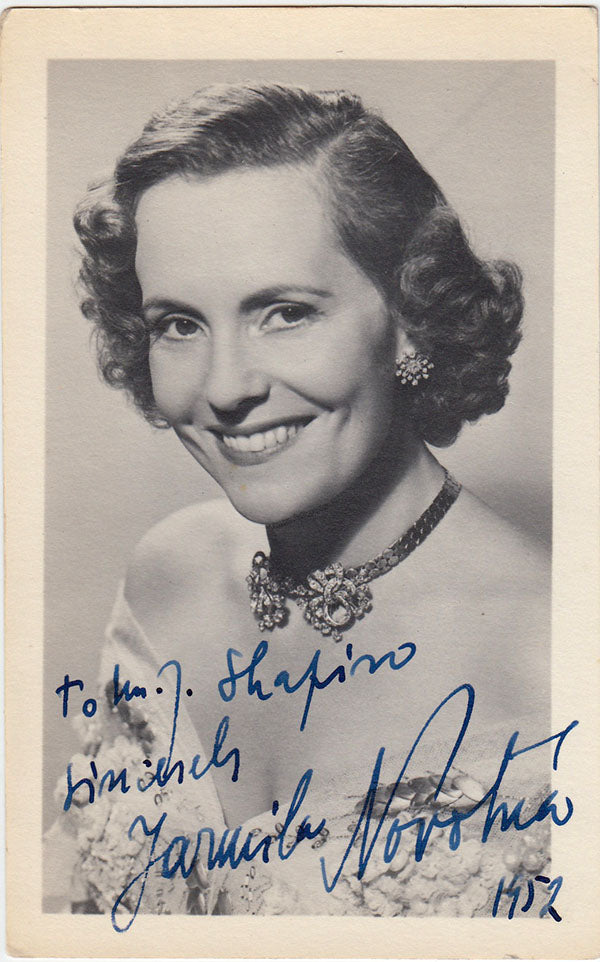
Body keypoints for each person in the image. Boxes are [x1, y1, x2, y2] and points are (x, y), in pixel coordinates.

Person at [51, 82, 551, 920]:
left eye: (284, 313)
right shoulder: (167, 574)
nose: (225, 389)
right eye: (179, 324)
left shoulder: (549, 650)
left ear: (411, 317)